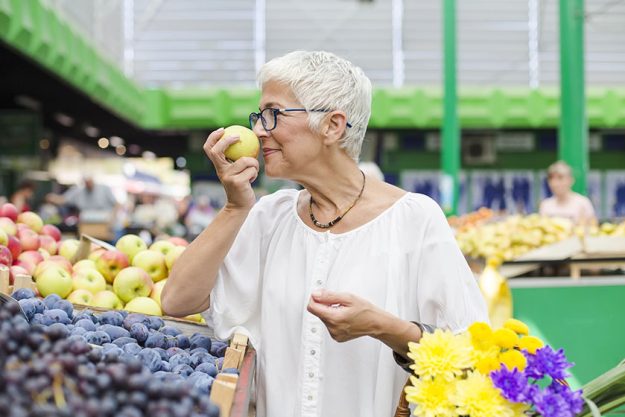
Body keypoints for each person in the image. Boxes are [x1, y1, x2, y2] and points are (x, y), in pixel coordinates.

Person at [162, 51, 488, 417]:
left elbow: (471, 355)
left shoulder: (413, 219)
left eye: (273, 114)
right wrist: (235, 207)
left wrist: (383, 326)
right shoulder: (269, 217)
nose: (257, 131)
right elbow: (177, 301)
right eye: (258, 116)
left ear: (332, 125)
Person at [539, 160, 597, 225]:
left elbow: (594, 229)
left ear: (571, 180)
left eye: (560, 178)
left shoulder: (583, 203)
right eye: (552, 179)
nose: (555, 183)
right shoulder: (546, 205)